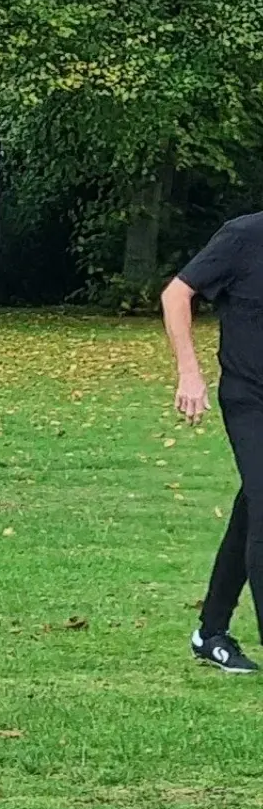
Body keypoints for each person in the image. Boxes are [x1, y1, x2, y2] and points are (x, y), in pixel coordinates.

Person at [163, 216, 263, 673]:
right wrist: (190, 372)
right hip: (250, 399)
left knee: (252, 508)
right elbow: (176, 294)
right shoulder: (244, 237)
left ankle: (210, 632)